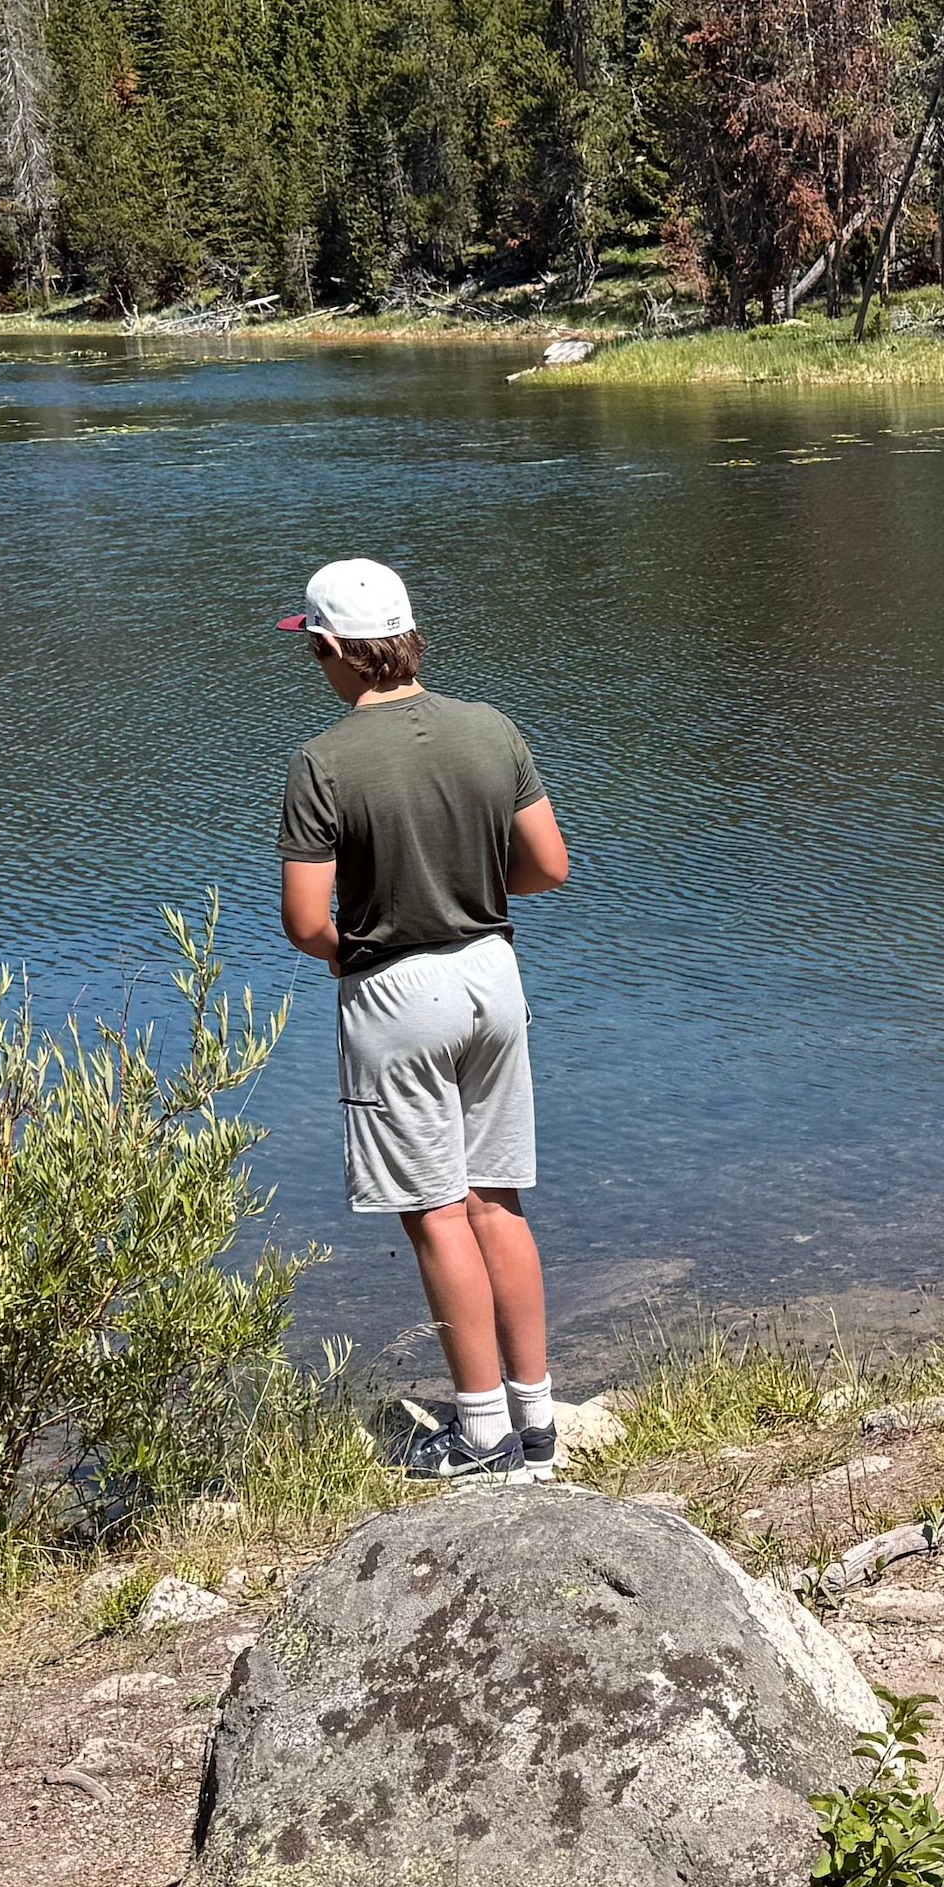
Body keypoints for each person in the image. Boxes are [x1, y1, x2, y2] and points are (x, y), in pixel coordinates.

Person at [277, 557, 573, 1476]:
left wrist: (351, 949)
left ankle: (479, 1433)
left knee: (436, 1213)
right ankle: (537, 1425)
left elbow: (306, 923)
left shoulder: (324, 762)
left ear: (335, 647)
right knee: (497, 1199)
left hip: (395, 991)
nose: (317, 665)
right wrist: (469, 892)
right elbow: (549, 866)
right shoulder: (490, 728)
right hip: (493, 976)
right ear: (407, 638)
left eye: (314, 650)